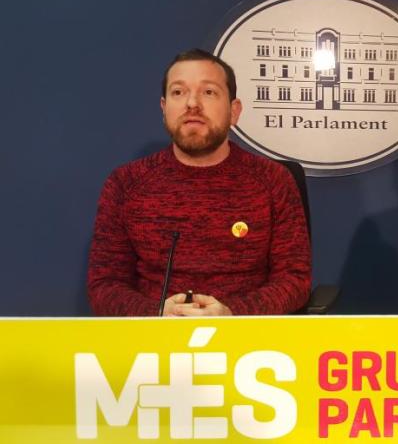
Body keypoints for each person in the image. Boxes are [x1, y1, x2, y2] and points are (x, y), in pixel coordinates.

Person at [87, 49, 311, 316]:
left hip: (245, 335)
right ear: (164, 108)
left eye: (208, 92)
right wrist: (155, 313)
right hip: (154, 336)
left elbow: (295, 280)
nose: (192, 103)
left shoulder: (274, 181)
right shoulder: (125, 184)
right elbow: (105, 284)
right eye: (178, 92)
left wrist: (232, 314)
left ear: (234, 111)